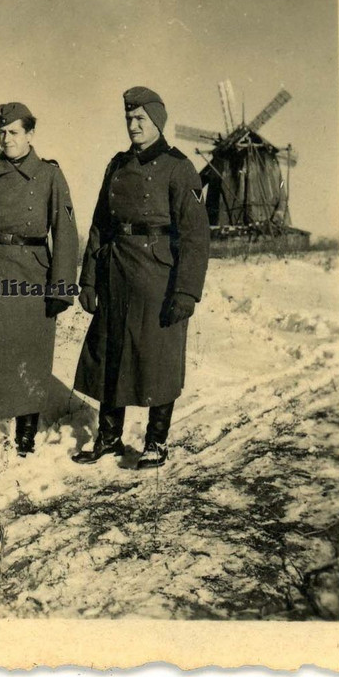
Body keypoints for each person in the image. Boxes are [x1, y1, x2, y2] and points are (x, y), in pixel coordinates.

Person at [72, 87, 210, 469]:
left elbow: (195, 236)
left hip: (158, 279)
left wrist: (186, 292)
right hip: (116, 273)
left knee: (157, 358)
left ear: (157, 122)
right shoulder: (117, 166)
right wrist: (89, 280)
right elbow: (100, 225)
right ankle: (109, 436)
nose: (133, 125)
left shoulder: (179, 167)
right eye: (129, 118)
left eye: (140, 119)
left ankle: (156, 442)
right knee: (110, 354)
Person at [0, 102, 79, 457]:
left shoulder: (50, 175)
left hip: (32, 273)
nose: (7, 139)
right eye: (2, 132)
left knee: (29, 353)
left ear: (30, 134)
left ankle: (25, 437)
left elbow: (65, 233)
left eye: (14, 132)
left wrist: (61, 288)